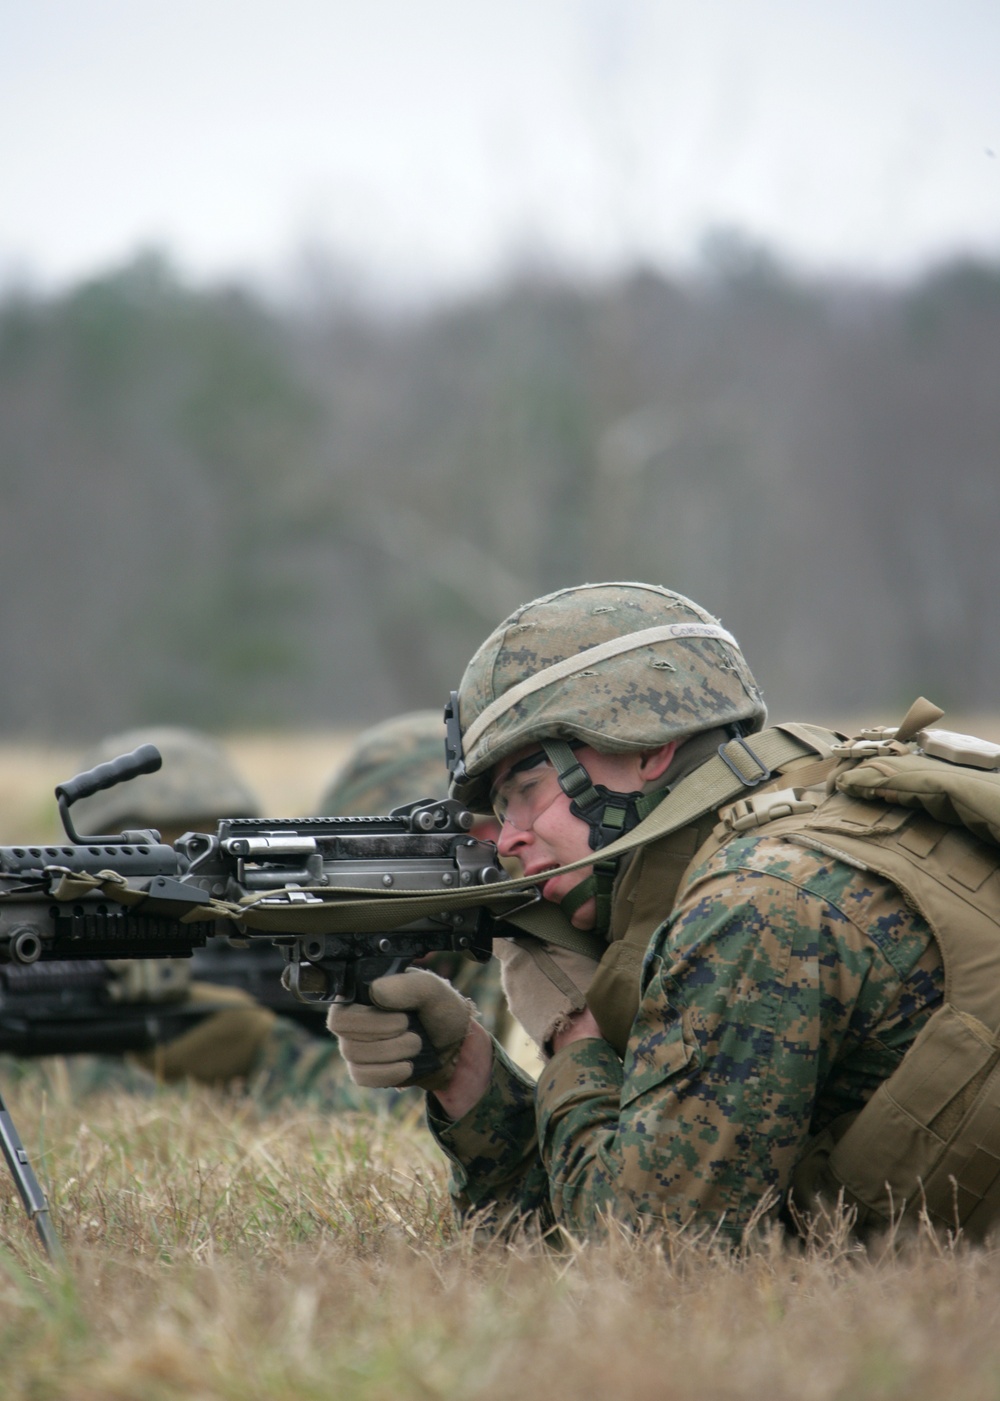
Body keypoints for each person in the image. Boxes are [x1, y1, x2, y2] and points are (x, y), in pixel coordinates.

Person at [326, 581, 981, 1245]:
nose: (512, 838)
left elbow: (653, 1253)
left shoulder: (753, 908)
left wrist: (575, 1033)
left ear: (646, 746)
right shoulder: (809, 826)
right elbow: (590, 1206)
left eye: (527, 791)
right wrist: (467, 1074)